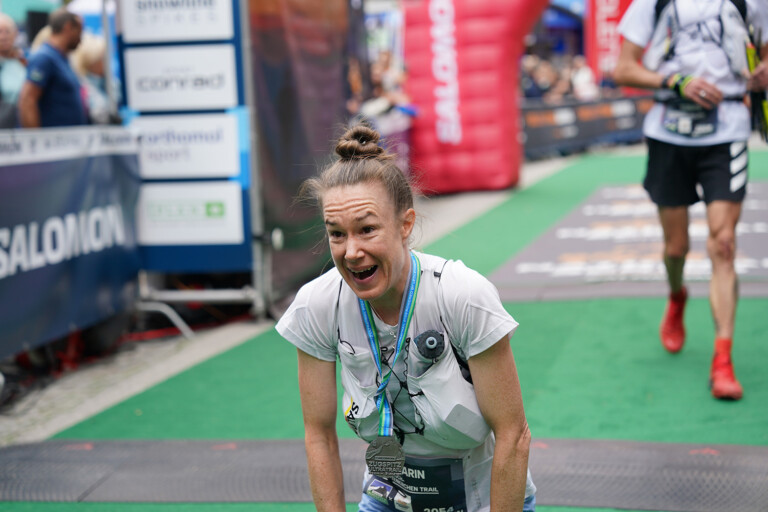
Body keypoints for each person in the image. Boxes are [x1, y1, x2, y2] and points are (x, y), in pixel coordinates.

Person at [276, 124, 536, 511]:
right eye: (337, 234)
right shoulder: (317, 304)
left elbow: (514, 435)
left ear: (405, 224)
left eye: (367, 229)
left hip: (481, 500)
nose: (351, 252)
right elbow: (319, 436)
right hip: (387, 496)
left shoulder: (462, 295)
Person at [614, 0, 768, 400]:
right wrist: (676, 81)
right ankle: (677, 295)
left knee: (723, 243)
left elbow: (764, 52)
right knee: (676, 247)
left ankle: (723, 361)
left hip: (728, 131)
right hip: (668, 132)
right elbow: (623, 68)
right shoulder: (652, 3)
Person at [17, 7, 87, 128]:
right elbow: (27, 100)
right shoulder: (44, 58)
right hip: (52, 138)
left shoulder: (60, 58)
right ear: (68, 27)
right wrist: (35, 138)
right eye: (79, 31)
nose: (80, 39)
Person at [0, 13, 26, 128]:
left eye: (7, 32)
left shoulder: (24, 60)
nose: (3, 37)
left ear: (15, 34)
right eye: (0, 32)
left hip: (22, 124)